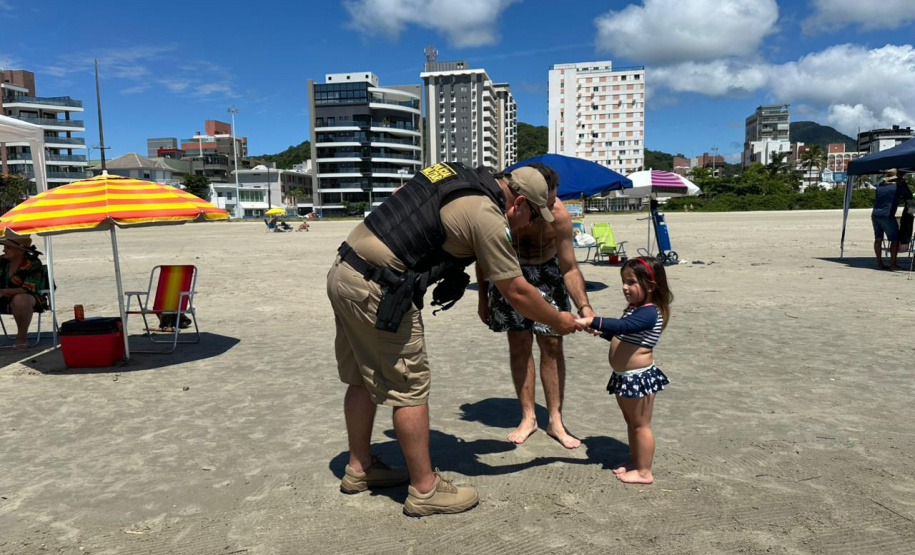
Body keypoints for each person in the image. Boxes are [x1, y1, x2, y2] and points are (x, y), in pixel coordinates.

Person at [327, 162, 583, 517]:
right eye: (532, 216)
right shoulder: (487, 215)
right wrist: (559, 319)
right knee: (411, 388)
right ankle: (425, 490)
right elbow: (516, 291)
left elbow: (404, 198)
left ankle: (360, 467)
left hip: (345, 270)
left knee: (361, 376)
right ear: (519, 202)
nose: (530, 224)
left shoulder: (457, 173)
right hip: (379, 288)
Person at [476, 162, 595, 449]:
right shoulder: (504, 212)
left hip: (547, 272)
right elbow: (484, 256)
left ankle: (555, 418)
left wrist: (584, 307)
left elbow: (569, 267)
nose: (549, 205)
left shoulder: (559, 216)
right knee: (518, 345)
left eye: (552, 199)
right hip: (510, 275)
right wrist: (482, 298)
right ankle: (528, 416)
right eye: (544, 200)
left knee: (552, 346)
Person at [575, 257, 673, 485]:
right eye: (623, 281)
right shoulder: (634, 309)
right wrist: (599, 330)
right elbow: (623, 334)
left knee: (641, 425)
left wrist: (594, 320)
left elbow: (624, 327)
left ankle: (644, 472)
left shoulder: (650, 312)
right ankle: (636, 460)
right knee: (632, 423)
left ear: (650, 285)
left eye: (631, 282)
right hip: (625, 378)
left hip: (639, 378)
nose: (624, 287)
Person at [0, 237, 48, 349]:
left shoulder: (33, 263)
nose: (4, 250)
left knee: (20, 299)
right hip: (3, 298)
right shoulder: (1, 261)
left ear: (21, 251)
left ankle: (21, 337)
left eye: (8, 247)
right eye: (4, 247)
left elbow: (28, 288)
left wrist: (3, 291)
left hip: (31, 298)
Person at [872, 169, 913, 270]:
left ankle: (879, 263)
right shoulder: (898, 186)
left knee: (878, 239)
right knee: (894, 240)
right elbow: (909, 195)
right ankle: (893, 264)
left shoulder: (880, 185)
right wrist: (904, 184)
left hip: (875, 214)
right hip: (887, 215)